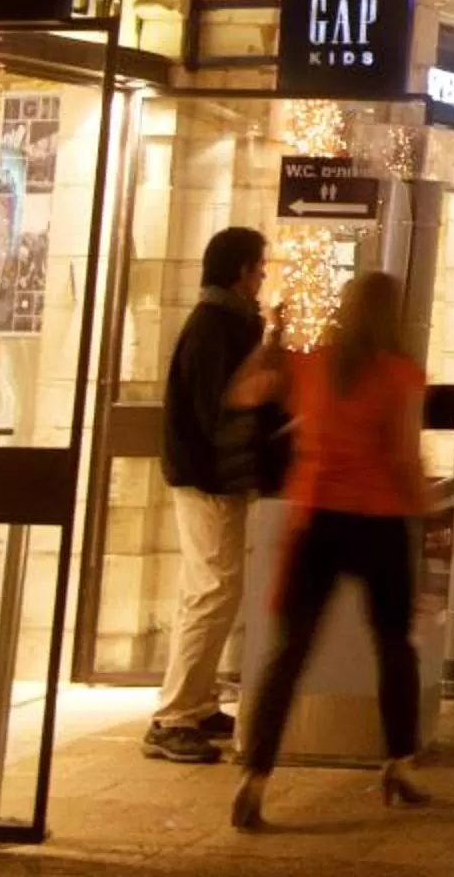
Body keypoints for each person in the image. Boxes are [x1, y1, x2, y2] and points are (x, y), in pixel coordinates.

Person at [225, 273, 432, 828]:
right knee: (395, 646)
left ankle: (256, 776)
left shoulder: (313, 365)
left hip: (316, 519)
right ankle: (400, 765)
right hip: (379, 521)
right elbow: (404, 455)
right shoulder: (400, 373)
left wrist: (271, 340)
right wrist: (426, 510)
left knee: (290, 652)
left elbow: (243, 393)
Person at [147, 226, 277, 765]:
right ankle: (174, 715)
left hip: (213, 478)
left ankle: (196, 703)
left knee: (210, 590)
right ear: (241, 270)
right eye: (259, 267)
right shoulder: (213, 328)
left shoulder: (229, 324)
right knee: (213, 590)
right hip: (207, 481)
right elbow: (216, 411)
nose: (263, 276)